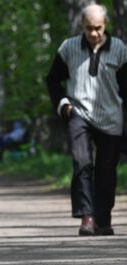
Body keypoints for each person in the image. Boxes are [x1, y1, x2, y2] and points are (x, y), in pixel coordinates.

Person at [46, 4, 127, 236]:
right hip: (79, 113)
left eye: (98, 28)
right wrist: (64, 105)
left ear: (106, 25)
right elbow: (53, 80)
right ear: (82, 26)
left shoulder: (120, 50)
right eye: (89, 28)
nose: (94, 34)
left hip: (111, 117)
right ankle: (87, 218)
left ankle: (103, 219)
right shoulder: (69, 48)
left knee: (106, 171)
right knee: (82, 163)